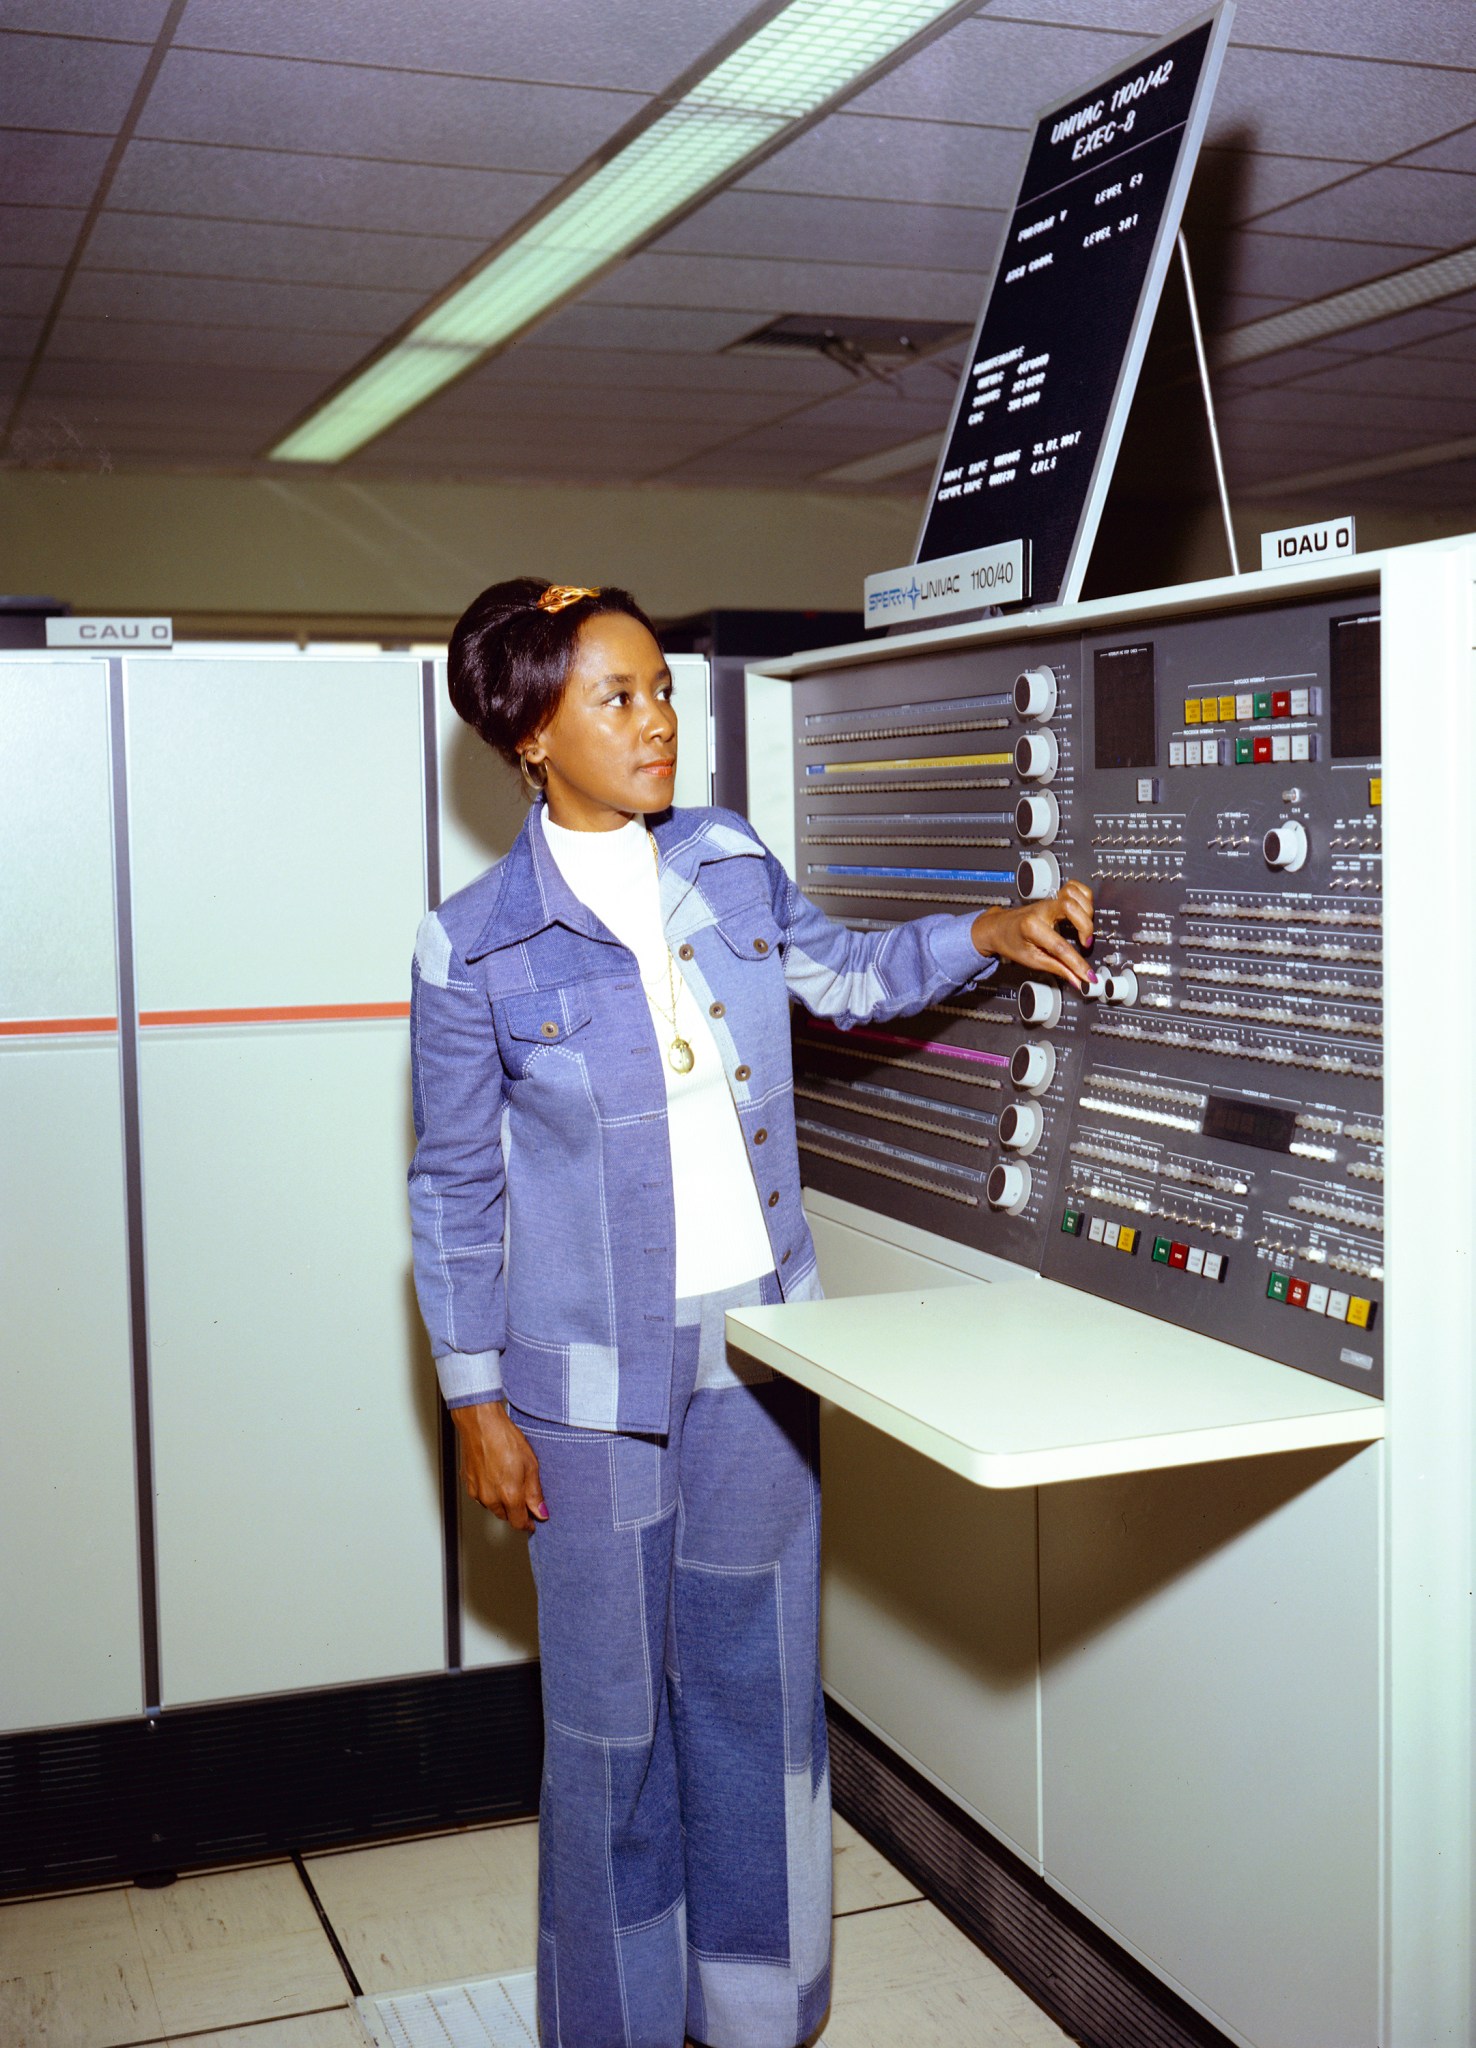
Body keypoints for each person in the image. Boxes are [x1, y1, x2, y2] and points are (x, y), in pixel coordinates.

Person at [407, 578, 1095, 2048]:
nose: (660, 721)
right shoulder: (470, 946)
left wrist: (989, 924)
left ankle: (761, 2019)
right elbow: (452, 1191)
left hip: (762, 1358)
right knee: (610, 1740)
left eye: (663, 690)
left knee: (758, 1710)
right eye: (620, 697)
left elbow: (839, 976)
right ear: (528, 731)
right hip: (583, 1396)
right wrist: (474, 1401)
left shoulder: (721, 861)